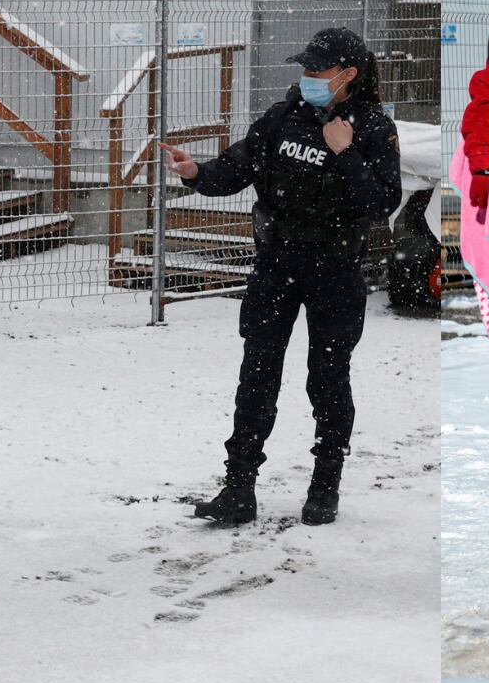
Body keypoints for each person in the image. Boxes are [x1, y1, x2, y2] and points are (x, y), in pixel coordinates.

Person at [168, 26, 401, 528]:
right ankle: (238, 487)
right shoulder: (283, 117)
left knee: (328, 377)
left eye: (318, 69)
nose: (308, 76)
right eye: (306, 68)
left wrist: (346, 153)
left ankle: (325, 486)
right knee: (257, 374)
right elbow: (237, 167)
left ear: (348, 74)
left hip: (335, 269)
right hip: (277, 264)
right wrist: (197, 173)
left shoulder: (372, 127)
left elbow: (381, 203)